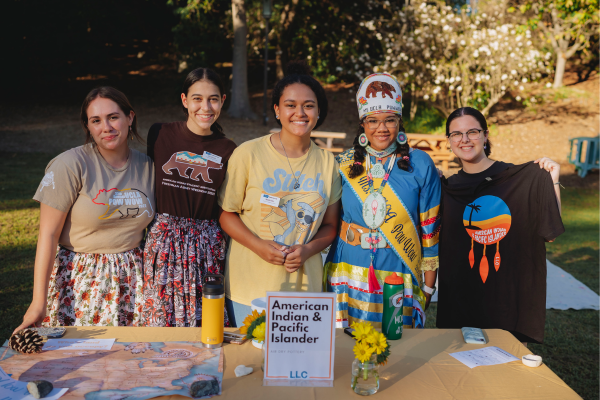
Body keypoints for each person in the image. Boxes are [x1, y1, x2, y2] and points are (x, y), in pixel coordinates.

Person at [14, 87, 155, 332]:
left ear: (130, 118)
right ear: (87, 126)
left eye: (113, 117)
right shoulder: (70, 165)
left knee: (130, 362)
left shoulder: (147, 166)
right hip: (81, 280)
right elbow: (47, 236)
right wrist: (38, 302)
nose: (106, 128)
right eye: (96, 121)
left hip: (134, 279)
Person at [218, 62, 342, 326]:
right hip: (249, 288)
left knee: (299, 366)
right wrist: (259, 247)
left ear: (318, 111)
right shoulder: (248, 154)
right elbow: (227, 215)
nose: (300, 112)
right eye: (290, 105)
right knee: (249, 365)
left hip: (305, 291)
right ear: (277, 110)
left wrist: (308, 249)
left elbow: (331, 226)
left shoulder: (328, 162)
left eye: (309, 105)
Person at [436, 106, 564, 344]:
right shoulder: (445, 188)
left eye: (472, 132)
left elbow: (551, 232)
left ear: (485, 135)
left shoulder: (519, 179)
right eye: (456, 134)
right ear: (449, 141)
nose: (464, 140)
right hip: (461, 304)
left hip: (508, 306)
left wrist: (552, 180)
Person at [324, 73, 441, 329]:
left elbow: (430, 232)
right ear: (363, 125)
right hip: (347, 271)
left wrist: (429, 288)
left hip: (399, 271)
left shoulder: (420, 164)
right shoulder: (343, 164)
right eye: (373, 121)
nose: (382, 128)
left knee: (396, 349)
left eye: (390, 120)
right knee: (343, 353)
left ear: (399, 123)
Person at [141, 68, 237, 327]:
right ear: (184, 100)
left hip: (205, 246)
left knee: (205, 318)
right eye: (197, 98)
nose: (205, 107)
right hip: (164, 241)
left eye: (213, 99)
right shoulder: (160, 133)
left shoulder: (228, 149)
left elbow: (226, 202)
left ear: (222, 101)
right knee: (160, 316)